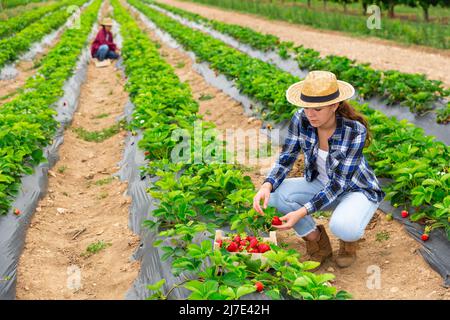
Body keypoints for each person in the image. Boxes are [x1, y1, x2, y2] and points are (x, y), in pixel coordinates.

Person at [253, 70, 385, 268]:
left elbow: (338, 184)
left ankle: (348, 242)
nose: (310, 114)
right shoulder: (301, 119)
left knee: (343, 226)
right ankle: (317, 241)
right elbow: (287, 157)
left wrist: (301, 212)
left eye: (317, 109)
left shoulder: (354, 131)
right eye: (306, 107)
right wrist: (267, 184)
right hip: (320, 183)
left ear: (334, 105)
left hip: (356, 190)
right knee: (273, 195)